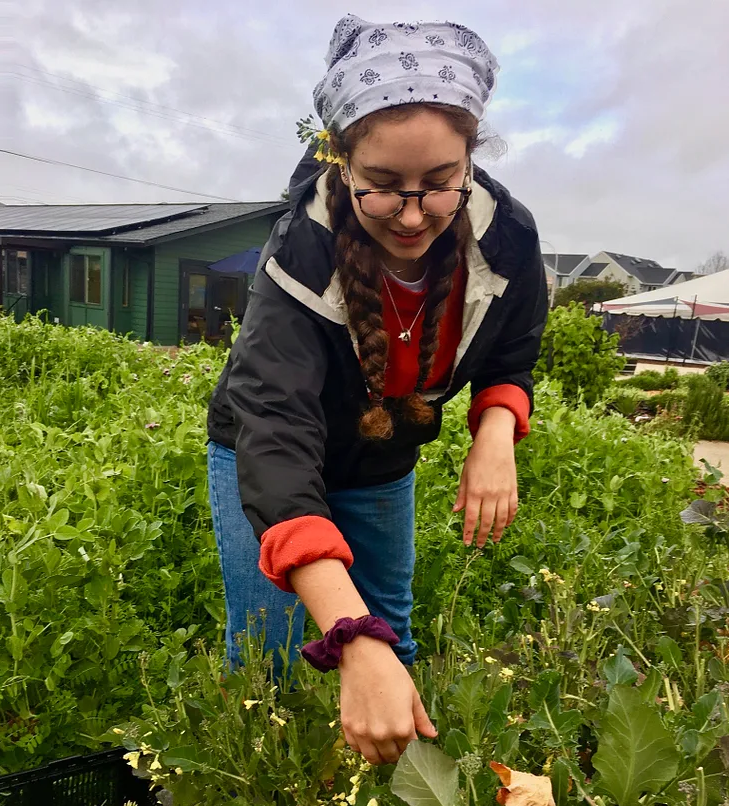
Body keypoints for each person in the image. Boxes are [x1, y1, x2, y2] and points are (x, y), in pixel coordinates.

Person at [206, 15, 548, 766]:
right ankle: (269, 803)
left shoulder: (507, 238)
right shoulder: (303, 247)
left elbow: (513, 352)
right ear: (344, 164)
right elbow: (275, 431)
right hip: (261, 460)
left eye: (439, 185)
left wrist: (493, 435)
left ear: (470, 162)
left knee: (395, 630)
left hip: (383, 460)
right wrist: (348, 636)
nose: (415, 214)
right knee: (270, 650)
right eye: (384, 189)